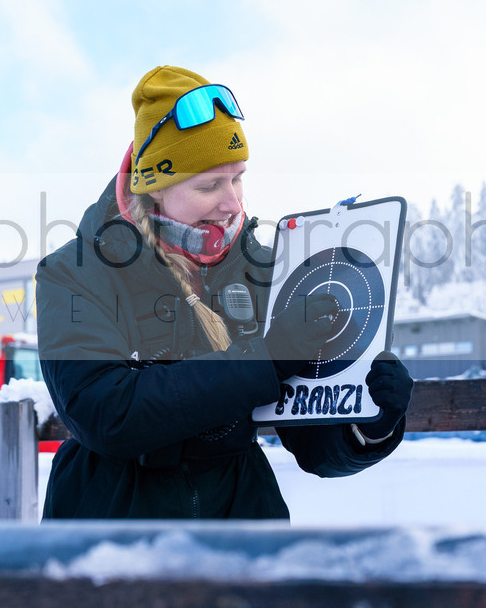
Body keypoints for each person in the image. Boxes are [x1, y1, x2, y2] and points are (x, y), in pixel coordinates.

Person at [35, 65, 414, 519]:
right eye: (209, 185)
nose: (233, 202)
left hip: (241, 523)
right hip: (114, 528)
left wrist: (369, 423)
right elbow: (105, 414)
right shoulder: (76, 272)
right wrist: (265, 361)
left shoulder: (264, 270)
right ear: (155, 189)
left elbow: (311, 440)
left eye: (237, 178)